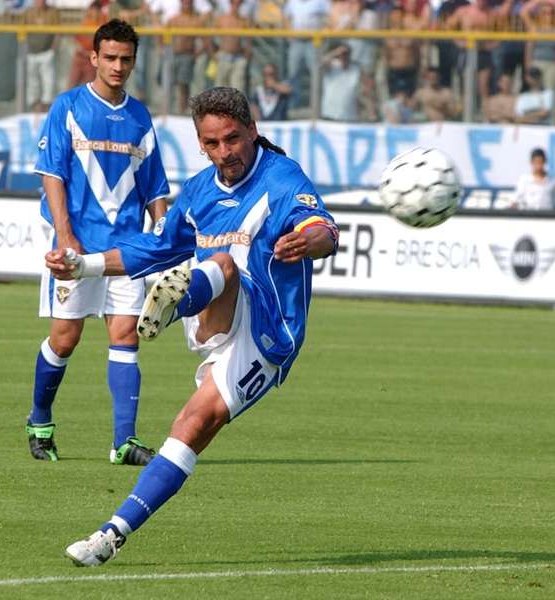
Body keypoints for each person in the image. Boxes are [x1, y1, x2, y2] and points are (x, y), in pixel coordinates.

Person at [45, 86, 339, 566]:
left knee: (193, 419)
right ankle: (110, 536)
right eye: (213, 143)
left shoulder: (282, 178)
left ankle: (110, 534)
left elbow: (322, 226)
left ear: (253, 131)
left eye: (233, 139)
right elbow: (153, 248)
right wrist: (84, 266)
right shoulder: (200, 191)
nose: (226, 152)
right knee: (217, 272)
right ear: (201, 145)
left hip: (268, 331)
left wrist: (310, 242)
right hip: (214, 318)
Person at [27, 20, 169, 465]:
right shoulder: (68, 107)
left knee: (126, 335)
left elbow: (155, 188)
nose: (118, 66)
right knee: (65, 338)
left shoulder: (140, 117)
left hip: (127, 250)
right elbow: (52, 174)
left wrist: (164, 240)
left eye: (126, 59)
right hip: (80, 247)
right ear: (94, 58)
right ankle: (39, 420)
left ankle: (124, 442)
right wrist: (66, 236)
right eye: (110, 57)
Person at [164, 0, 211, 114]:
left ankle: (181, 112)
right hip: (172, 55)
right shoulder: (174, 19)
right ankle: (167, 112)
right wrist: (163, 50)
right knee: (168, 84)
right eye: (184, 2)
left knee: (183, 86)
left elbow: (205, 42)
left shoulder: (196, 21)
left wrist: (195, 54)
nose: (186, 4)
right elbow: (162, 37)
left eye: (188, 2)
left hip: (187, 56)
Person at [23, 0, 61, 113]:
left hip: (47, 52)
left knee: (48, 80)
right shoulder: (28, 12)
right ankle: (34, 105)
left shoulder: (53, 12)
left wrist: (54, 48)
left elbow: (59, 32)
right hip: (32, 52)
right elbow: (22, 31)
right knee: (32, 80)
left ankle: (46, 105)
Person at [67, 0, 109, 88]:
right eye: (92, 10)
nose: (94, 13)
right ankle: (69, 101)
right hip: (80, 56)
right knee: (72, 83)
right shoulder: (84, 21)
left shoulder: (104, 23)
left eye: (97, 10)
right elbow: (75, 39)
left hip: (92, 59)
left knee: (88, 85)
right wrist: (80, 49)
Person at [213, 0, 252, 94]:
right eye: (235, 2)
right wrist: (213, 54)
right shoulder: (221, 19)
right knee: (220, 89)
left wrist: (247, 54)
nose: (237, 5)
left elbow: (248, 40)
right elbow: (211, 38)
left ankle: (235, 109)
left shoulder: (244, 20)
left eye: (239, 3)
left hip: (238, 57)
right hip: (223, 56)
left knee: (237, 89)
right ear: (230, 3)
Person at [320, 42, 361, 121]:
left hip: (349, 114)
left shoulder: (356, 68)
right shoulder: (333, 65)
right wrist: (336, 52)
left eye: (347, 53)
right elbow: (321, 62)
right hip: (330, 112)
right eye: (343, 54)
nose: (345, 56)